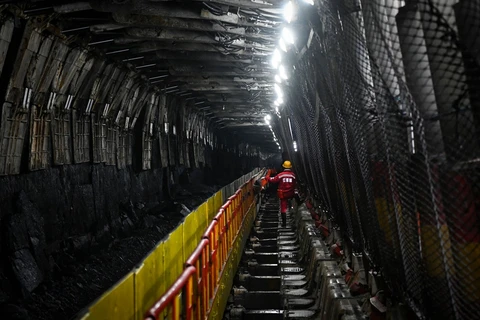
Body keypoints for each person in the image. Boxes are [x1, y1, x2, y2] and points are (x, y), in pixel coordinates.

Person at [267, 160, 296, 227]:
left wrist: (267, 178)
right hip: (291, 193)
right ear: (290, 167)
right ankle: (299, 202)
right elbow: (294, 184)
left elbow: (273, 180)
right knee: (295, 193)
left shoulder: (280, 175)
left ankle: (284, 224)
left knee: (283, 208)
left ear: (283, 167)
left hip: (283, 194)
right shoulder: (293, 175)